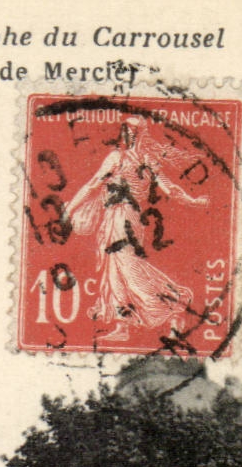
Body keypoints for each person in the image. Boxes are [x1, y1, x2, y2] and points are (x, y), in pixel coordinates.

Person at [62, 115, 209, 342]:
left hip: (123, 218)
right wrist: (193, 200)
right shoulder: (134, 159)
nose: (127, 133)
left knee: (128, 269)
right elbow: (94, 184)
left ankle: (172, 305)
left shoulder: (128, 159)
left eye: (131, 130)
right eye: (126, 129)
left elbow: (169, 189)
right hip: (120, 219)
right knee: (115, 270)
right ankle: (124, 326)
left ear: (139, 134)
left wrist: (68, 211)